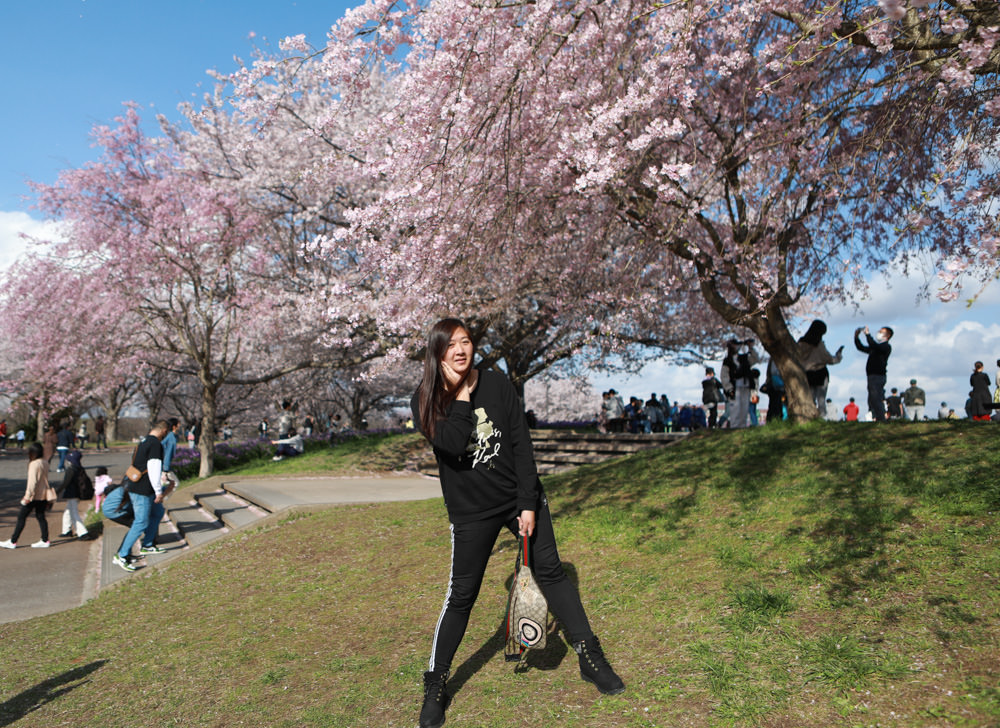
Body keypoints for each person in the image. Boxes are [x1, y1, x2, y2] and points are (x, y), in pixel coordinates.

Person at [410, 318, 624, 728]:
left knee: (552, 573)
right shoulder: (425, 397)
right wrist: (462, 395)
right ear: (437, 353)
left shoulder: (497, 382)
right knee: (461, 595)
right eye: (450, 345)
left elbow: (521, 443)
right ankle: (436, 684)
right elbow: (453, 443)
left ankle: (589, 655)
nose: (460, 350)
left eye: (466, 342)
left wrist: (527, 503)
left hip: (518, 500)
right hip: (471, 513)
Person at [113, 421, 168, 572]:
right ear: (163, 430)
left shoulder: (143, 442)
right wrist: (158, 491)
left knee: (157, 512)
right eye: (166, 432)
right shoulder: (155, 444)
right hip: (143, 489)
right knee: (141, 522)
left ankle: (147, 544)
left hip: (137, 486)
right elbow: (154, 467)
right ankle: (122, 555)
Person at [0, 443, 54, 549]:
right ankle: (45, 539)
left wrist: (27, 496)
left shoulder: (34, 464)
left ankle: (13, 541)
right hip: (43, 494)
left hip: (34, 496)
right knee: (41, 517)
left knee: (21, 517)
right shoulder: (45, 462)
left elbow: (32, 482)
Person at [797, 320, 843, 418]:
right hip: (821, 373)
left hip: (807, 374)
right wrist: (838, 356)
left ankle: (809, 417)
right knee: (821, 400)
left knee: (810, 399)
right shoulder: (819, 345)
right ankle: (821, 418)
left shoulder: (801, 343)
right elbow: (829, 359)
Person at [854, 325, 893, 422]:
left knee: (876, 398)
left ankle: (881, 418)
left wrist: (867, 335)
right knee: (873, 399)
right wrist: (856, 337)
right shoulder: (876, 348)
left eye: (881, 332)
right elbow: (861, 348)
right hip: (872, 375)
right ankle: (879, 417)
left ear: (887, 336)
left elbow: (873, 345)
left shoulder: (886, 347)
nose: (878, 333)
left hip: (878, 376)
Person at [721, 339, 759, 428]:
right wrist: (729, 388)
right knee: (735, 409)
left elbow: (755, 359)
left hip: (745, 386)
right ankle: (735, 427)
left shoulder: (743, 359)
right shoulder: (727, 361)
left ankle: (742, 427)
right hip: (734, 387)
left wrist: (750, 348)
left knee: (744, 409)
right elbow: (724, 375)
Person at [57, 450, 92, 540]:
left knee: (74, 513)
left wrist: (57, 491)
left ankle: (83, 533)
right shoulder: (79, 468)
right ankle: (66, 530)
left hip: (72, 494)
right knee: (68, 512)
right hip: (78, 494)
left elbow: (65, 482)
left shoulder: (71, 469)